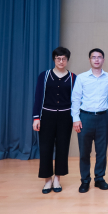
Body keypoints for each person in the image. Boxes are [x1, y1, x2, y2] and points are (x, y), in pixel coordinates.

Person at [32, 47, 77, 194]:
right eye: (58, 58)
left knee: (62, 148)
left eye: (64, 59)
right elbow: (38, 97)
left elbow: (76, 100)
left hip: (65, 117)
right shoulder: (44, 76)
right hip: (47, 116)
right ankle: (47, 180)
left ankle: (57, 179)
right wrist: (36, 118)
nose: (61, 61)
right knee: (46, 148)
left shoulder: (72, 77)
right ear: (54, 59)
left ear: (67, 60)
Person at [71, 48, 108, 193]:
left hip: (103, 117)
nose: (96, 60)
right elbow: (76, 99)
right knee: (84, 151)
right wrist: (76, 119)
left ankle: (99, 179)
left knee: (101, 151)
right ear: (89, 60)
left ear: (103, 60)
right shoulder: (82, 78)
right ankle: (85, 181)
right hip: (85, 117)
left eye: (99, 57)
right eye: (93, 57)